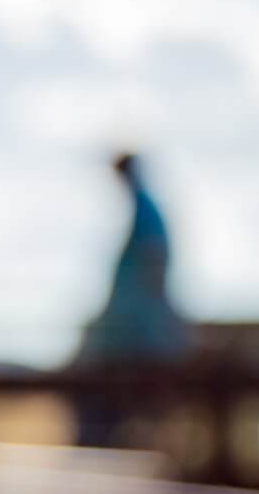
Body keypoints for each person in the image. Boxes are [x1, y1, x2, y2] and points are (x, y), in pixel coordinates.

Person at [78, 152, 189, 361]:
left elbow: (154, 256)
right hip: (137, 310)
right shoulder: (143, 206)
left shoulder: (146, 209)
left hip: (139, 317)